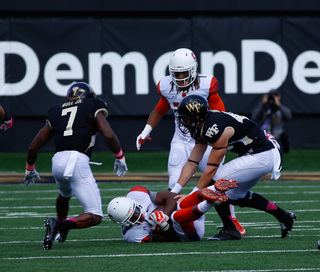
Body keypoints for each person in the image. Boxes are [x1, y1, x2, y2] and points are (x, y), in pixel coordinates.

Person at [136, 48, 245, 235]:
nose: (179, 77)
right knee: (174, 182)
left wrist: (220, 138)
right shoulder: (166, 86)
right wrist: (146, 130)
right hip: (181, 139)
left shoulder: (206, 84)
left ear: (194, 69)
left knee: (216, 180)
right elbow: (160, 109)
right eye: (176, 73)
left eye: (183, 73)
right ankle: (176, 220)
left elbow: (221, 115)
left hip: (206, 139)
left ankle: (231, 220)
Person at [171, 95, 297, 241]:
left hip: (261, 155)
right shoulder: (200, 126)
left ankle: (230, 229)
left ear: (197, 117)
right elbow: (192, 161)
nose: (184, 122)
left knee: (216, 181)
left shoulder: (214, 127)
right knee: (235, 195)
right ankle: (283, 216)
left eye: (186, 118)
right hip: (254, 154)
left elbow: (212, 169)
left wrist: (192, 196)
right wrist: (174, 191)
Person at [23, 82, 128, 250]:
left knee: (64, 195)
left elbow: (34, 146)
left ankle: (60, 231)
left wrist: (30, 168)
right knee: (95, 215)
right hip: (77, 160)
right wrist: (119, 156)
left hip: (57, 161)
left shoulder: (56, 110)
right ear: (89, 96)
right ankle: (59, 225)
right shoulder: (93, 104)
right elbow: (107, 134)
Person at [107, 180, 234, 243]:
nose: (138, 215)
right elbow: (173, 238)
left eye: (135, 210)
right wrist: (164, 226)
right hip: (190, 233)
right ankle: (208, 201)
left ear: (133, 202)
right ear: (124, 223)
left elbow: (171, 196)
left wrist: (164, 216)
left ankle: (210, 192)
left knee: (178, 202)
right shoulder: (133, 236)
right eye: (132, 218)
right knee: (175, 217)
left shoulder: (137, 193)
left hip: (190, 209)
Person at [252, 89, 292, 154]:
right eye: (271, 96)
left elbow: (288, 115)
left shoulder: (280, 109)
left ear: (279, 97)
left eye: (275, 96)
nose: (272, 98)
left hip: (278, 137)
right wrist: (262, 104)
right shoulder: (265, 108)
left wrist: (279, 105)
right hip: (265, 137)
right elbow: (254, 117)